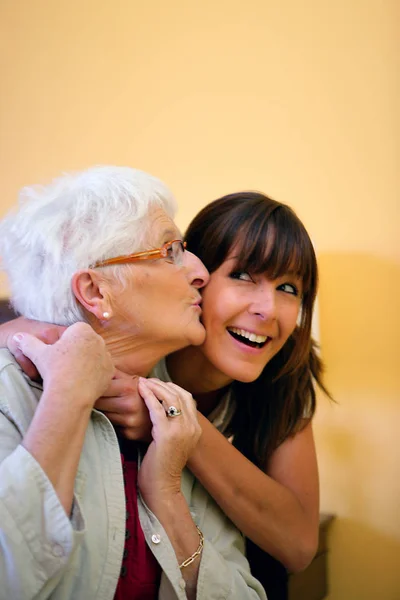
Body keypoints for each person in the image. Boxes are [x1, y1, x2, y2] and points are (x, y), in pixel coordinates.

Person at [0, 167, 267, 600]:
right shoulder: (8, 395)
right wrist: (67, 396)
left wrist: (165, 493)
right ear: (96, 291)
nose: (201, 272)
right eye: (172, 250)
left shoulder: (173, 420)